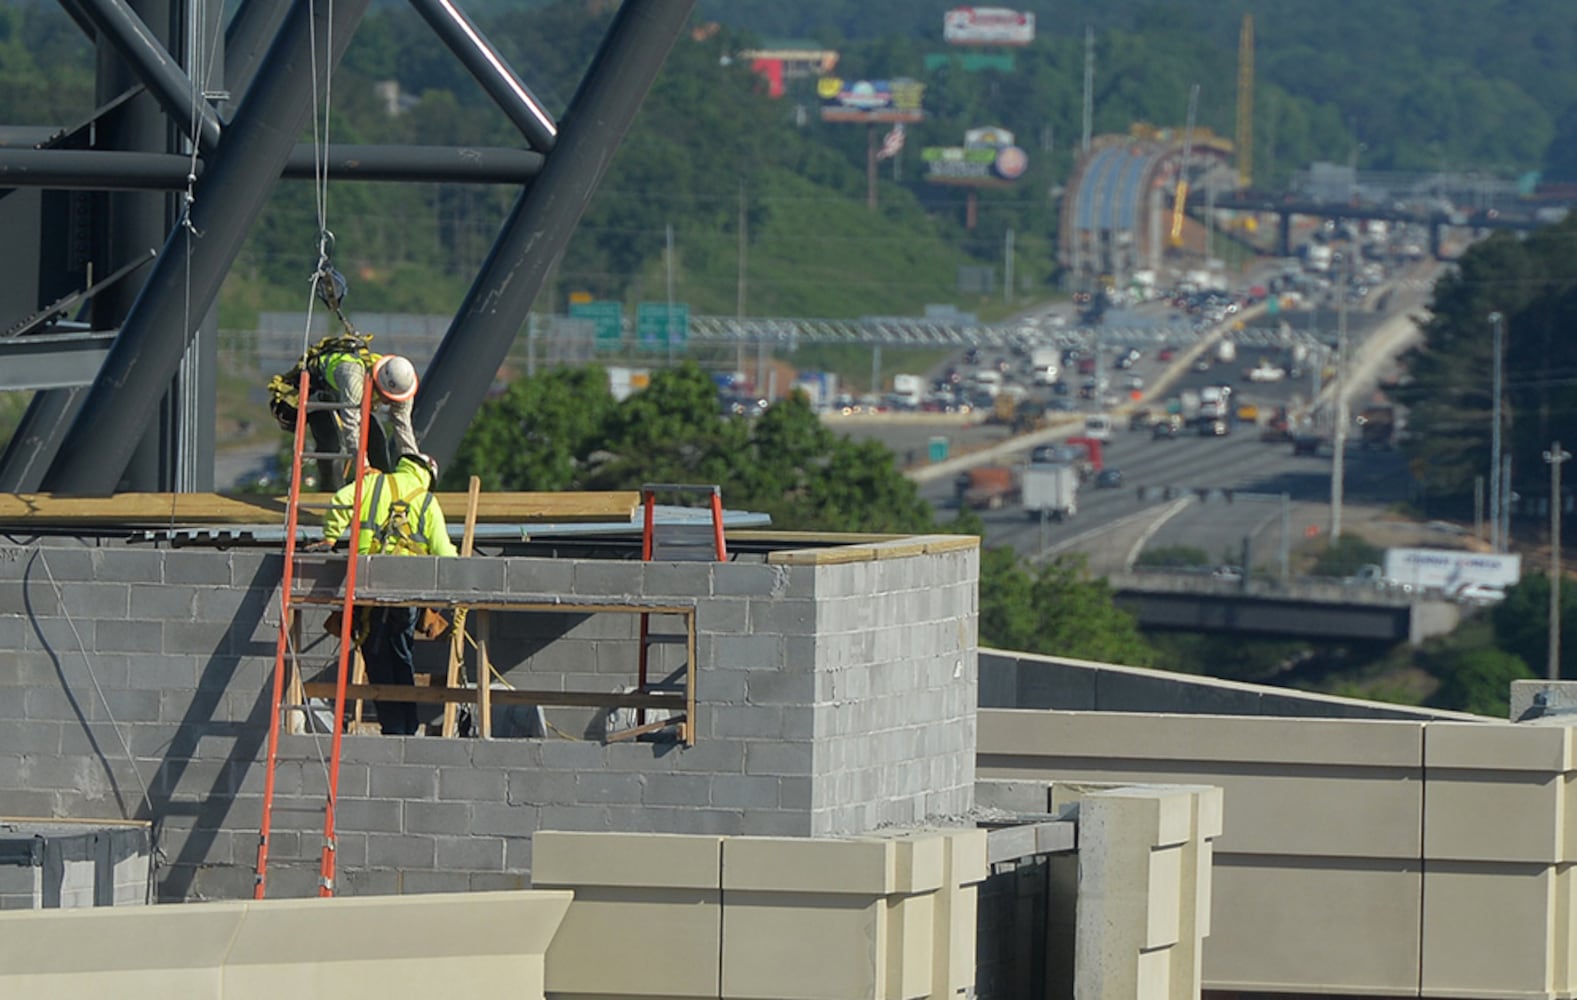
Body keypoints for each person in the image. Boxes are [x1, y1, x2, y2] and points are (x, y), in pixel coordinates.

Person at [319, 452, 457, 735]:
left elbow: (339, 501)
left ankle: (394, 726)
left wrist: (331, 535)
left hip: (365, 586)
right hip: (405, 591)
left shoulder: (372, 485)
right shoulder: (427, 501)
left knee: (376, 656)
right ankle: (404, 727)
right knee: (401, 653)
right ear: (428, 477)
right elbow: (445, 554)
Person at [268, 339, 421, 491]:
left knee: (377, 439)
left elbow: (404, 429)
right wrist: (364, 468)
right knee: (332, 446)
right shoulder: (353, 379)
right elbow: (351, 427)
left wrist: (415, 469)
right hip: (319, 391)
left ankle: (384, 492)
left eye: (393, 400)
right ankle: (331, 495)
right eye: (386, 397)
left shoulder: (404, 389)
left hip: (352, 398)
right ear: (378, 383)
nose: (388, 403)